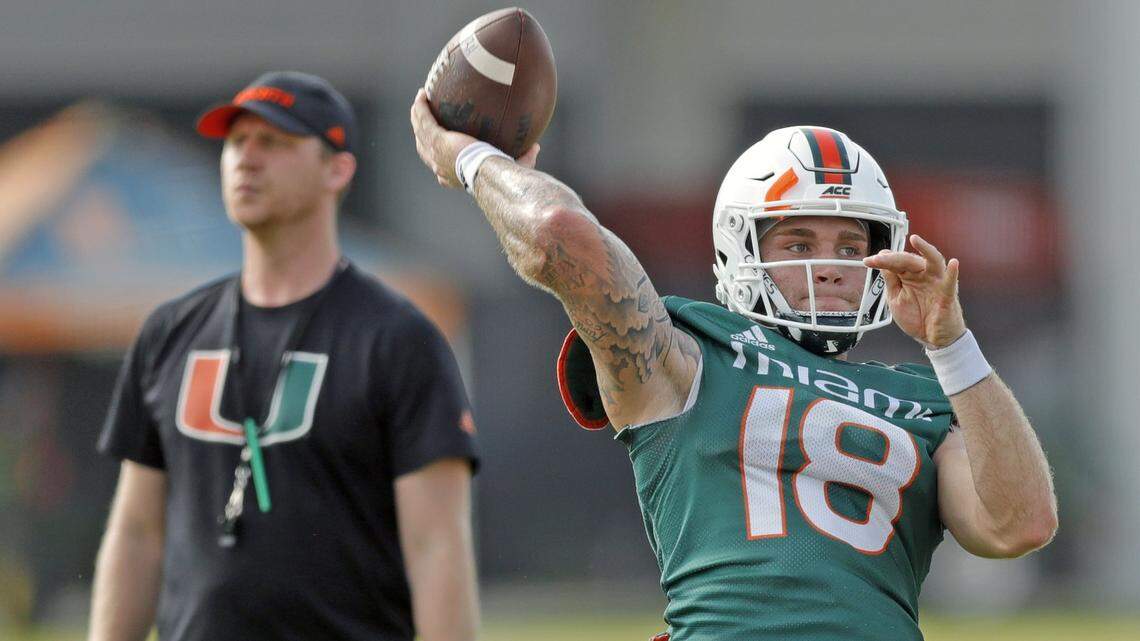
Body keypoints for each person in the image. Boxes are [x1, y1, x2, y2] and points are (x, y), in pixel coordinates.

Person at [410, 91, 1057, 640]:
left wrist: (952, 346)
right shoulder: (690, 352)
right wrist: (472, 158)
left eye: (851, 244)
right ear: (739, 249)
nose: (830, 264)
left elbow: (1018, 523)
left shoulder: (920, 395)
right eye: (799, 241)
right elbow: (557, 231)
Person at [89, 72, 480, 641]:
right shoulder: (170, 333)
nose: (246, 159)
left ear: (337, 169)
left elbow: (436, 545)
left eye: (273, 142)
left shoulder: (398, 340)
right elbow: (137, 531)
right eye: (235, 142)